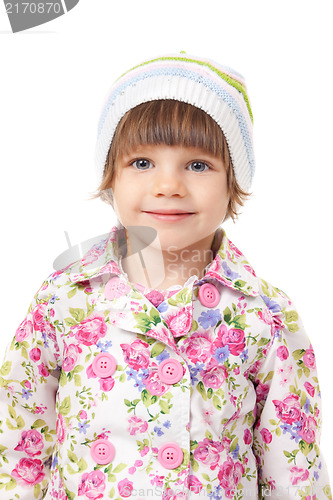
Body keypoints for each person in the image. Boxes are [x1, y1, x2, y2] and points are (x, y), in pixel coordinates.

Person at [0, 53, 331, 500]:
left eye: (198, 165)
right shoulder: (65, 299)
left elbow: (294, 470)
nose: (168, 185)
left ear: (234, 180)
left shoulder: (265, 316)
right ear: (110, 175)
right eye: (141, 163)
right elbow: (19, 446)